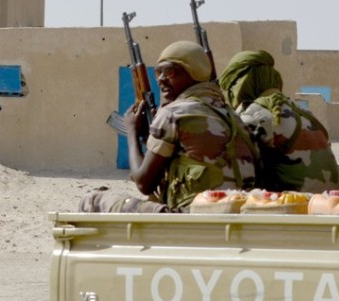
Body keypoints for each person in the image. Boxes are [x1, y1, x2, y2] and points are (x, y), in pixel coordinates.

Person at [81, 41, 258, 213]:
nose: (161, 79)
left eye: (170, 72)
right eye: (158, 72)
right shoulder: (232, 116)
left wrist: (132, 132)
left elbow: (144, 183)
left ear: (193, 72)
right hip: (235, 211)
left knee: (93, 199)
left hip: (189, 214)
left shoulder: (174, 114)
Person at [217, 50, 339, 193]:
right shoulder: (305, 113)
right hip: (326, 206)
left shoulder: (256, 116)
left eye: (231, 88)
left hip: (292, 209)